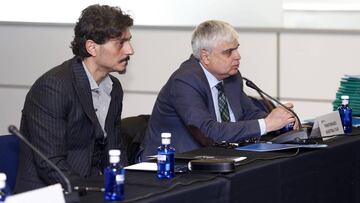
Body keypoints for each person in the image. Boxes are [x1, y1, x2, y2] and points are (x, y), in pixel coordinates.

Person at [15, 4, 134, 193]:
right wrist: (92, 191)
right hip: (51, 194)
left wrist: (127, 185)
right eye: (120, 43)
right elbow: (51, 164)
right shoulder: (53, 87)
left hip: (93, 190)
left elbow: (115, 150)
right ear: (92, 47)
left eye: (129, 41)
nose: (130, 50)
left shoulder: (114, 88)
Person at [140, 20, 298, 160]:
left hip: (215, 158)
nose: (238, 56)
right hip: (169, 165)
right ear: (205, 56)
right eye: (228, 52)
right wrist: (267, 124)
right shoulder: (185, 81)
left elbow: (250, 113)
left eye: (236, 49)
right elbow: (209, 132)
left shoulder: (232, 76)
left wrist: (282, 121)